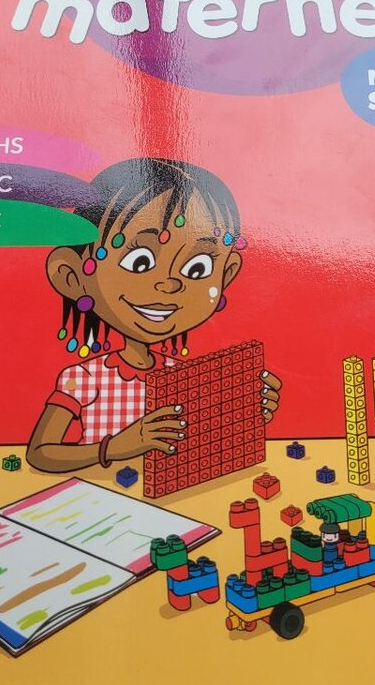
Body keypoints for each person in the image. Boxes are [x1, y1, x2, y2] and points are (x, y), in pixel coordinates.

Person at [27, 158, 282, 474]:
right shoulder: (85, 378)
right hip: (97, 493)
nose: (169, 284)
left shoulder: (184, 377)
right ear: (73, 276)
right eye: (140, 261)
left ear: (225, 275)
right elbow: (40, 453)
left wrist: (244, 412)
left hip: (173, 495)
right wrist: (115, 447)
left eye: (198, 268)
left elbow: (200, 441)